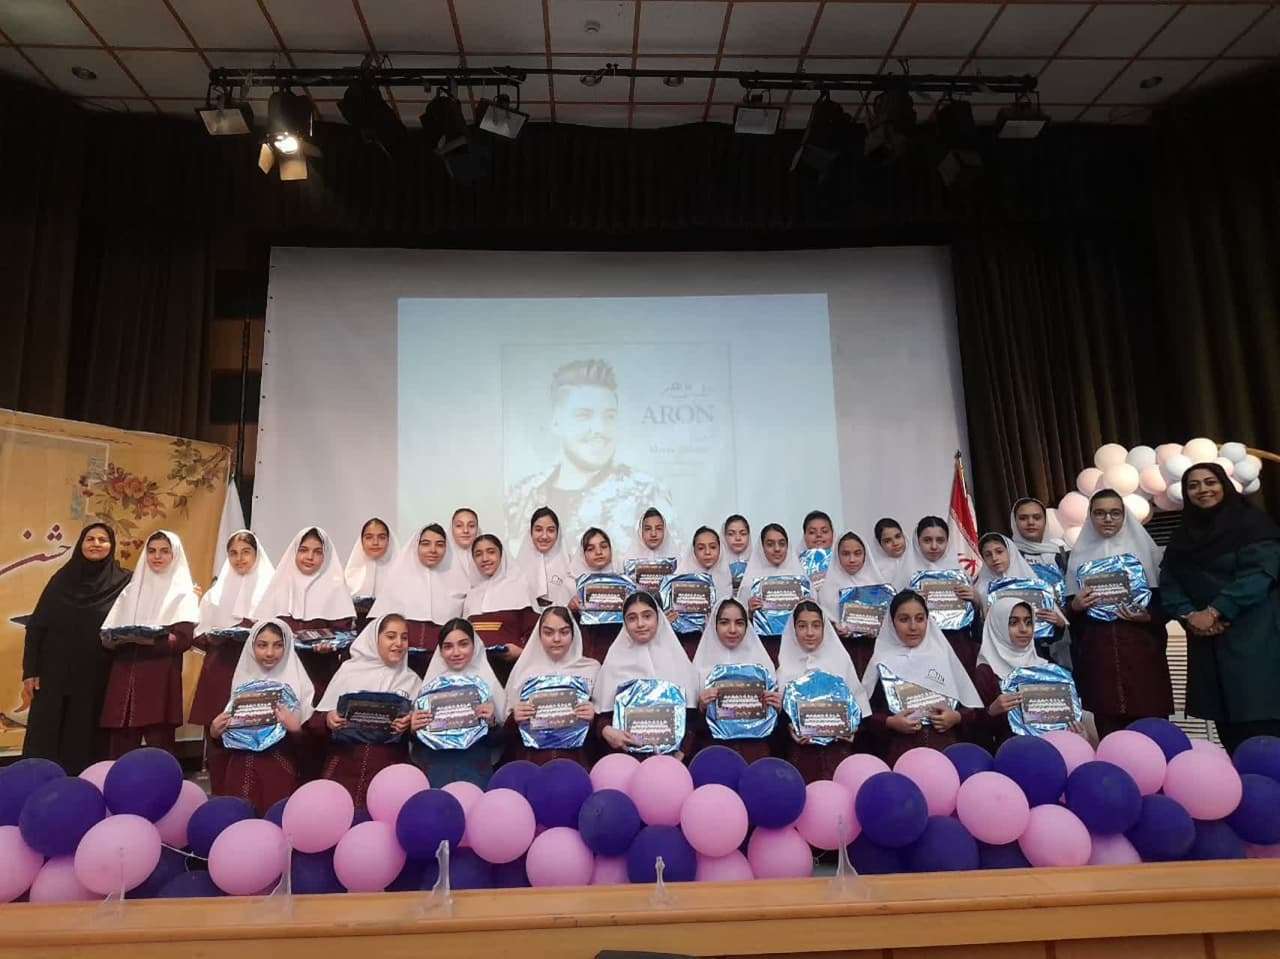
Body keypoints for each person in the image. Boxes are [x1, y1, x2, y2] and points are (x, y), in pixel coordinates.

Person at [1160, 462, 1280, 753]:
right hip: (1206, 642)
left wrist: (1215, 611)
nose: (1202, 490)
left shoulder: (1253, 525)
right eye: (1193, 485)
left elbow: (1260, 573)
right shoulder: (1182, 535)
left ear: (1224, 485)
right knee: (1226, 728)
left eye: (1210, 482)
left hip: (1254, 637)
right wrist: (1190, 615)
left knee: (1261, 723)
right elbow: (1169, 582)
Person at [505, 358, 677, 554]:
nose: (599, 429)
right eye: (584, 415)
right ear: (556, 422)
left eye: (609, 416)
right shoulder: (522, 494)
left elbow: (671, 562)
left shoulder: (647, 491)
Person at [21, 524, 131, 774]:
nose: (96, 544)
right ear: (81, 544)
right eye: (90, 539)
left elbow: (155, 591)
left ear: (112, 546)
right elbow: (37, 626)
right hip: (54, 674)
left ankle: (83, 787)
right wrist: (30, 671)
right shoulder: (61, 580)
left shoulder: (125, 582)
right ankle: (40, 785)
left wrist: (188, 591)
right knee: (47, 735)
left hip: (97, 675)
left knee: (86, 735)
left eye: (103, 539)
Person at [1066, 488, 1172, 739]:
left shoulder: (1149, 554)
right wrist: (1075, 607)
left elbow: (1168, 605)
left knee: (1153, 736)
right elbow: (1070, 618)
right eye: (1099, 513)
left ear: (1125, 516)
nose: (1107, 519)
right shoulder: (1077, 558)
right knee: (1110, 736)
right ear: (1090, 517)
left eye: (1115, 513)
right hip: (1099, 661)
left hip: (1142, 657)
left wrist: (1148, 616)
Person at [98, 530, 199, 758]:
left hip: (159, 678)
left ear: (175, 555)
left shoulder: (183, 593)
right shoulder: (131, 590)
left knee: (158, 749)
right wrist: (115, 639)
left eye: (164, 551)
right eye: (152, 551)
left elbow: (183, 640)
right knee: (120, 750)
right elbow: (108, 634)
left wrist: (149, 639)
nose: (157, 556)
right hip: (125, 677)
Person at [191, 530, 274, 794]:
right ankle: (219, 796)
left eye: (246, 552)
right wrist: (212, 636)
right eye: (234, 553)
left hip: (257, 672)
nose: (240, 559)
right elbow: (198, 635)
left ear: (257, 554)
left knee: (253, 736)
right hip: (219, 670)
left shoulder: (272, 590)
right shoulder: (215, 594)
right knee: (218, 736)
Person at [862, 590, 985, 764]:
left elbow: (973, 710)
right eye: (904, 619)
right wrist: (890, 722)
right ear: (892, 623)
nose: (913, 627)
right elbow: (865, 716)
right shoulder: (881, 661)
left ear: (928, 620)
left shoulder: (943, 656)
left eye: (920, 619)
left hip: (945, 752)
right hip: (900, 755)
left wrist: (956, 717)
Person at [313, 613, 418, 807]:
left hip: (389, 773)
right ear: (374, 639)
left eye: (404, 638)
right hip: (344, 769)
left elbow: (420, 733)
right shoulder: (348, 672)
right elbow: (315, 722)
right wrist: (328, 719)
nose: (399, 643)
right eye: (391, 636)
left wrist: (411, 723)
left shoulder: (412, 680)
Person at [211, 619, 314, 813]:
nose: (269, 653)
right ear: (251, 647)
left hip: (278, 775)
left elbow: (312, 751)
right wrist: (215, 732)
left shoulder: (300, 687)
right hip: (238, 774)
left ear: (287, 647)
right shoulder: (238, 683)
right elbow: (225, 744)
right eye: (262, 645)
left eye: (278, 645)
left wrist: (296, 730)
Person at [251, 526, 357, 702]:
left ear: (326, 556)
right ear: (295, 552)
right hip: (280, 673)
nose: (310, 557)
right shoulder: (279, 586)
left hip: (320, 673)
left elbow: (344, 637)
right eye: (304, 550)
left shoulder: (336, 589)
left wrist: (331, 647)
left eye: (317, 552)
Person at [592, 592, 698, 759]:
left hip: (673, 760)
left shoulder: (678, 661)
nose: (640, 624)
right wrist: (607, 731)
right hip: (624, 759)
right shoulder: (614, 661)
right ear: (625, 623)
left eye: (647, 616)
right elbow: (600, 716)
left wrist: (682, 752)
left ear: (659, 618)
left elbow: (692, 716)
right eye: (632, 618)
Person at [776, 601, 872, 782]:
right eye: (802, 626)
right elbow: (778, 726)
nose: (810, 633)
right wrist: (789, 731)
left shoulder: (841, 662)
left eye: (816, 625)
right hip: (801, 760)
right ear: (793, 630)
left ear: (824, 628)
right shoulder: (783, 669)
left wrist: (852, 729)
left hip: (839, 758)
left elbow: (862, 714)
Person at [409, 618, 506, 788]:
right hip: (437, 771)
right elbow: (420, 746)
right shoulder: (429, 688)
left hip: (476, 772)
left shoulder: (489, 685)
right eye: (448, 646)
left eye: (463, 644)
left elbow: (500, 741)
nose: (456, 653)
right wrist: (414, 730)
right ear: (440, 651)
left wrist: (491, 723)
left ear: (474, 646)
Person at [503, 606, 600, 767]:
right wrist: (515, 718)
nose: (556, 639)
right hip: (532, 762)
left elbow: (603, 728)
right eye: (548, 633)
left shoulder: (591, 669)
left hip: (576, 762)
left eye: (564, 632)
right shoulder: (524, 671)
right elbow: (504, 733)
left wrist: (593, 717)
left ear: (574, 634)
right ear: (539, 635)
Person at [369, 523, 466, 676]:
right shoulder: (396, 582)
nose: (433, 550)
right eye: (426, 544)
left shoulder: (460, 584)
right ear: (416, 546)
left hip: (444, 667)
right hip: (400, 666)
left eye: (440, 545)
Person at [691, 597, 779, 763]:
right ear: (714, 625)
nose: (732, 630)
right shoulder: (698, 669)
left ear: (747, 626)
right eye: (724, 622)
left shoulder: (764, 666)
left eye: (739, 623)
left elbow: (774, 730)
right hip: (715, 754)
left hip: (755, 753)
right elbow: (692, 729)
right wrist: (701, 707)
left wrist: (777, 708)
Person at [898, 517, 981, 676]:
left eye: (940, 540)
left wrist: (976, 602)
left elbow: (973, 627)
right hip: (919, 650)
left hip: (957, 647)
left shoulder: (960, 575)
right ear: (917, 541)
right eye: (927, 540)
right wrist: (909, 601)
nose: (934, 546)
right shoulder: (905, 575)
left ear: (948, 542)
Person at [976, 531, 1068, 661]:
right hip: (996, 657)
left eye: (999, 552)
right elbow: (976, 635)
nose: (994, 558)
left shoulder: (1033, 586)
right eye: (988, 555)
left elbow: (1049, 637)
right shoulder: (979, 590)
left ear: (1011, 552)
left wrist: (1058, 624)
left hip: (1034, 655)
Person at [462, 534, 539, 681]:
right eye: (478, 554)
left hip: (513, 670)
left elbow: (534, 633)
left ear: (502, 555)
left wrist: (521, 652)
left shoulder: (519, 587)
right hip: (478, 673)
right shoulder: (472, 594)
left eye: (491, 552)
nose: (485, 558)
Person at [973, 597, 1046, 748]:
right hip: (1006, 751)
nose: (1024, 629)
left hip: (1046, 746)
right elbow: (974, 727)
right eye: (1013, 623)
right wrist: (992, 711)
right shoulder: (986, 672)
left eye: (1028, 622)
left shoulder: (1044, 667)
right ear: (997, 626)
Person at [817, 531, 889, 677]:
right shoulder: (826, 589)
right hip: (840, 651)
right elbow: (821, 622)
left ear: (865, 555)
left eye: (857, 553)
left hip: (874, 651)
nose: (852, 559)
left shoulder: (879, 585)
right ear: (837, 556)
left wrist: (878, 629)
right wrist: (834, 627)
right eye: (845, 554)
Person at [737, 523, 808, 663]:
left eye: (782, 544)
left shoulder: (801, 578)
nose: (777, 549)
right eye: (770, 544)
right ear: (762, 548)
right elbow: (739, 621)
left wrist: (805, 606)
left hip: (796, 647)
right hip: (762, 647)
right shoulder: (749, 582)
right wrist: (749, 612)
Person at [668, 525, 733, 657]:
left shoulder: (726, 577)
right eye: (701, 548)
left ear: (720, 549)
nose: (707, 552)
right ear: (693, 551)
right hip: (687, 644)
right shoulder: (678, 580)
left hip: (722, 645)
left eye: (713, 547)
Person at [568, 527, 627, 661]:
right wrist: (571, 608)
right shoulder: (571, 583)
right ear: (583, 554)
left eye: (604, 547)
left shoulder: (625, 580)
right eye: (591, 549)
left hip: (620, 645)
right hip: (585, 647)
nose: (599, 552)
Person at [513, 507, 575, 608]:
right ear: (530, 532)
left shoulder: (571, 566)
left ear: (558, 533)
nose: (544, 536)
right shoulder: (517, 568)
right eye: (538, 530)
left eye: (551, 530)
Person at [343, 517, 398, 627]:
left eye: (381, 537)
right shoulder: (349, 576)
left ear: (389, 541)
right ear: (361, 541)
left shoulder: (400, 575)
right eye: (369, 537)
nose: (375, 542)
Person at [1010, 497, 1070, 574]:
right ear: (1014, 522)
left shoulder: (1063, 553)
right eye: (1023, 518)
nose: (1030, 522)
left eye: (1037, 518)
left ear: (1045, 521)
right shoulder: (1008, 554)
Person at [442, 508, 484, 590]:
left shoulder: (487, 559)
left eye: (471, 526)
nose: (465, 530)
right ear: (451, 529)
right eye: (459, 526)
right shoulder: (441, 560)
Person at [873, 518, 909, 591]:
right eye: (887, 541)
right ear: (879, 545)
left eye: (898, 536)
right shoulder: (876, 571)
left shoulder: (919, 560)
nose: (895, 543)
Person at [723, 514, 753, 595]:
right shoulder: (716, 565)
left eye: (743, 533)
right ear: (724, 536)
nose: (738, 538)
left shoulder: (757, 563)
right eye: (731, 534)